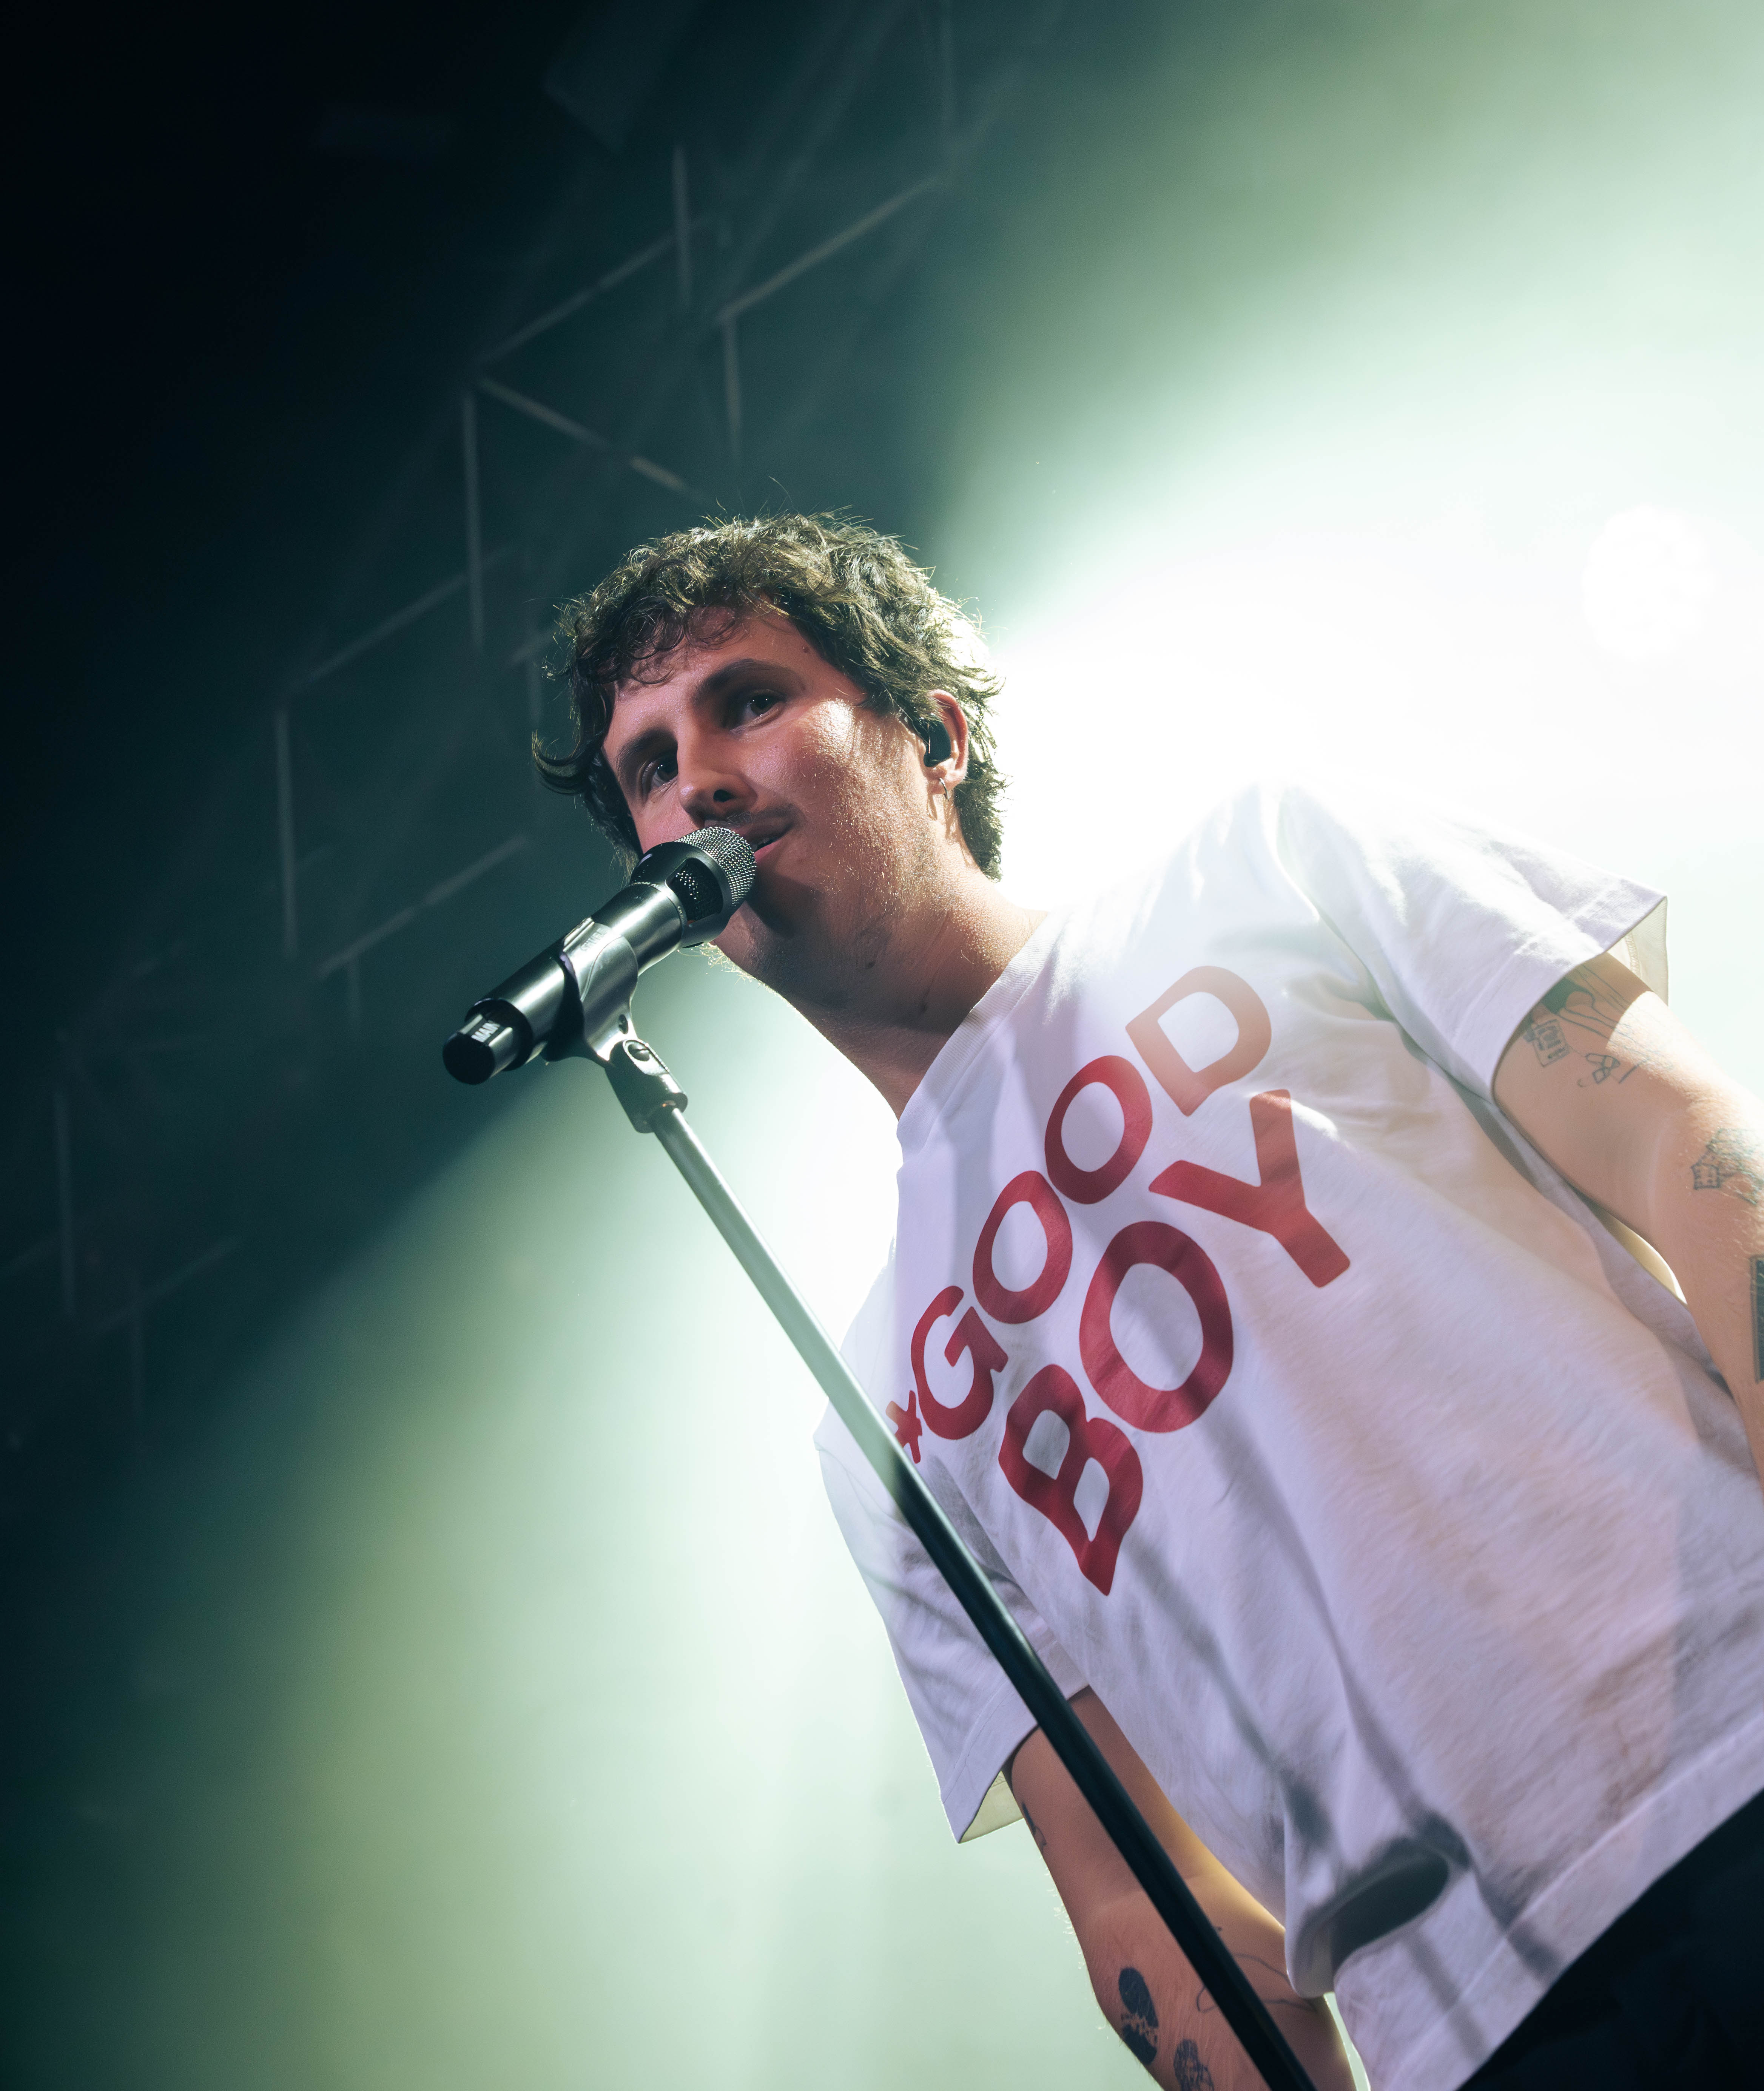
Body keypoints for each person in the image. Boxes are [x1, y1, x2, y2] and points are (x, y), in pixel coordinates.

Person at [537, 514, 1764, 2091]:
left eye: (748, 700)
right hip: (1475, 2034)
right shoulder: (874, 1410)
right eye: (647, 765)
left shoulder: (1268, 863)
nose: (696, 778)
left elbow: (1687, 1150)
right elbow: (1136, 1893)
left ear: (932, 735)